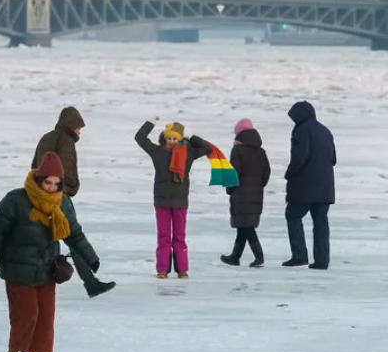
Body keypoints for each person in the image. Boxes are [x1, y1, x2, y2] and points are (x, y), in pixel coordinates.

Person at [0, 152, 100, 352]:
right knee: (27, 315)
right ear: (38, 180)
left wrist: (91, 259)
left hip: (47, 270)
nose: (52, 188)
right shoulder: (15, 200)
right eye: (48, 183)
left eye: (57, 183)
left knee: (46, 320)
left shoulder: (62, 203)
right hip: (18, 269)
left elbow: (74, 234)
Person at [32, 106, 115, 298]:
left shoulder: (48, 137)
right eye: (78, 127)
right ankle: (90, 278)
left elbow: (35, 164)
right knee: (72, 236)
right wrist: (70, 186)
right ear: (70, 125)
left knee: (57, 235)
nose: (79, 131)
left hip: (42, 193)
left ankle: (88, 281)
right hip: (59, 194)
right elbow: (66, 168)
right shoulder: (65, 141)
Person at [135, 117, 213, 279]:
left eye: (175, 138)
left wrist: (191, 137)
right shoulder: (157, 152)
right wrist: (150, 123)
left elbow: (206, 148)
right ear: (164, 137)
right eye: (169, 138)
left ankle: (182, 270)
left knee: (179, 237)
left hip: (180, 202)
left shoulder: (188, 154)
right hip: (162, 201)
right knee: (163, 237)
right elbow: (140, 138)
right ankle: (162, 270)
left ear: (180, 139)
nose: (172, 141)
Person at [283, 101, 337, 270]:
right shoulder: (325, 131)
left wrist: (289, 174)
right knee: (321, 222)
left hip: (304, 186)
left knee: (293, 216)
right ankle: (322, 260)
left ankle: (299, 255)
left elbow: (299, 158)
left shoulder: (301, 131)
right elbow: (333, 159)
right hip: (325, 187)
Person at [220, 118, 271, 268]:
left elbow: (233, 173)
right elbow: (266, 172)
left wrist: (230, 189)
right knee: (243, 226)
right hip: (256, 193)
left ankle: (259, 256)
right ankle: (235, 257)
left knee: (247, 227)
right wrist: (258, 185)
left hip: (241, 192)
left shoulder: (237, 150)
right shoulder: (261, 151)